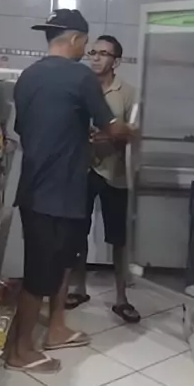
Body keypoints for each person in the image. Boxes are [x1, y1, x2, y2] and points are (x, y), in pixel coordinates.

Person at [5, 10, 136, 373]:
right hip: (56, 191)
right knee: (39, 274)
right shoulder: (80, 77)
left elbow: (29, 128)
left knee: (62, 261)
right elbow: (112, 128)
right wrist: (134, 131)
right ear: (76, 39)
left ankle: (56, 329)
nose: (87, 52)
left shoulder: (27, 76)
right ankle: (20, 351)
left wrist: (75, 134)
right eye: (86, 44)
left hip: (38, 189)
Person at [66, 35, 141, 323]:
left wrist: (114, 136)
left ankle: (122, 298)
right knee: (77, 232)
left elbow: (135, 132)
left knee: (118, 239)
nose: (96, 58)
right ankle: (79, 288)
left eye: (103, 54)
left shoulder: (129, 92)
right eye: (93, 52)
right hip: (83, 170)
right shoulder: (81, 87)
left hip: (115, 173)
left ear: (116, 62)